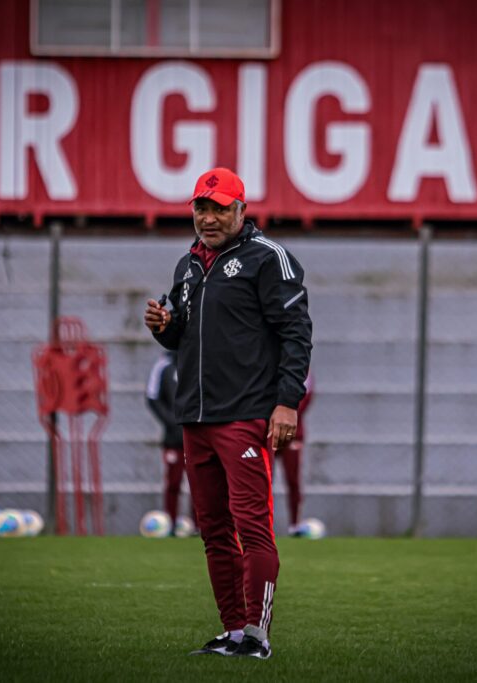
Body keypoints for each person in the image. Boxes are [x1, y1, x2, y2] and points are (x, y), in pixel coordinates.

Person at [144, 167, 312, 660]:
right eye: (202, 207)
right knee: (214, 531)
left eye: (220, 208)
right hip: (195, 419)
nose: (209, 217)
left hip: (245, 414)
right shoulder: (188, 265)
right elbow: (180, 339)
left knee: (252, 527)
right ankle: (233, 631)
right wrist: (163, 326)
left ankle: (257, 638)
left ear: (242, 210)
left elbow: (296, 334)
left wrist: (287, 402)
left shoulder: (269, 259)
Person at [145, 349, 196, 534]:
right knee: (173, 482)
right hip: (173, 438)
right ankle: (170, 524)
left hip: (198, 434)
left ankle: (200, 526)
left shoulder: (199, 357)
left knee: (200, 482)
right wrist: (172, 421)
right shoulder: (163, 364)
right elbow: (152, 397)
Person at [276, 371, 313, 536]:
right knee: (261, 479)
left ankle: (294, 524)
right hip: (269, 430)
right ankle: (260, 524)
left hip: (293, 433)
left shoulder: (302, 370)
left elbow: (306, 397)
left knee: (293, 480)